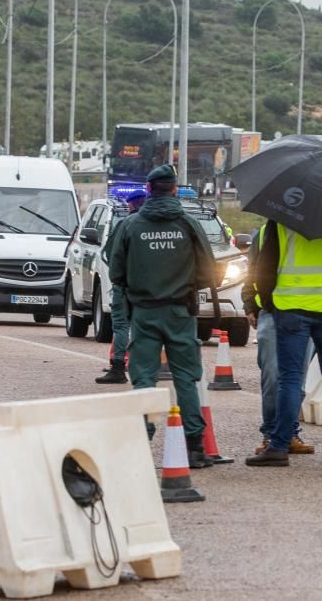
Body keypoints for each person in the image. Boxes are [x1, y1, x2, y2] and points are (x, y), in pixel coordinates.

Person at [108, 165, 220, 468]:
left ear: (148, 189)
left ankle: (142, 442)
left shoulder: (130, 225)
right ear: (174, 189)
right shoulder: (188, 223)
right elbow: (210, 268)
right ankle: (195, 447)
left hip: (143, 311)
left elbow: (115, 271)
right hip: (180, 310)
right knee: (186, 377)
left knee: (143, 376)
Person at [244, 222, 322, 467]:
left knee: (290, 378)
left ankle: (278, 445)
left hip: (291, 307)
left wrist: (269, 303)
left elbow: (264, 268)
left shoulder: (282, 223)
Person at [241, 224, 315, 456]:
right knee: (273, 375)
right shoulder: (267, 231)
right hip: (273, 312)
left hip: (309, 312)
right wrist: (251, 304)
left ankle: (289, 432)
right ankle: (272, 433)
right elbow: (252, 271)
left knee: (297, 379)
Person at [96, 188, 147, 384]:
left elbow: (109, 254)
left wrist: (119, 278)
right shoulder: (158, 225)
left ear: (132, 204)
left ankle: (118, 367)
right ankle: (145, 367)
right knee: (146, 326)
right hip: (151, 288)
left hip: (125, 286)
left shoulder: (126, 224)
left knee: (121, 325)